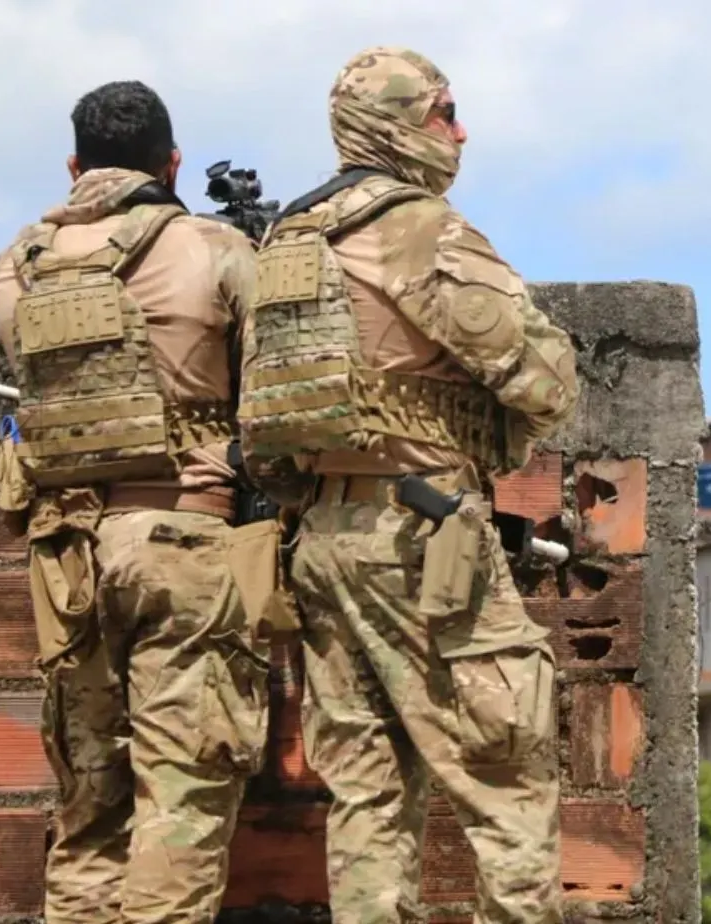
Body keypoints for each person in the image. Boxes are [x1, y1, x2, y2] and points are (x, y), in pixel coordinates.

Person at [234, 46, 579, 924]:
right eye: (442, 112)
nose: (459, 132)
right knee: (508, 777)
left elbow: (260, 424)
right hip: (421, 541)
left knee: (368, 796)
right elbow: (545, 382)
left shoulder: (288, 241)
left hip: (320, 544)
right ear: (398, 125)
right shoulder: (423, 228)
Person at [0, 79, 269, 924]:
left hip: (66, 555)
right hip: (184, 541)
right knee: (180, 806)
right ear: (172, 163)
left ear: (75, 165)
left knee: (90, 813)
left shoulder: (20, 262)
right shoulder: (217, 248)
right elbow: (272, 394)